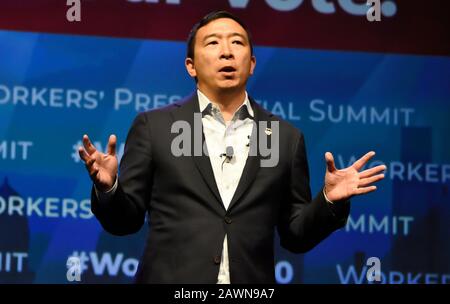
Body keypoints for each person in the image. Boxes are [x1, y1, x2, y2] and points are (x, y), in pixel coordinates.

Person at [78, 10, 386, 284]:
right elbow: (125, 222)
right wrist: (109, 189)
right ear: (191, 66)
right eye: (212, 43)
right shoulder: (155, 127)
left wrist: (329, 200)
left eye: (237, 43)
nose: (227, 52)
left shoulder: (283, 137)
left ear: (251, 64)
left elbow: (295, 236)